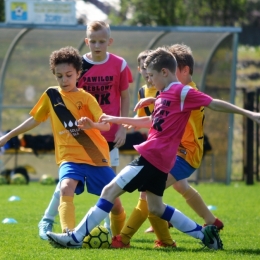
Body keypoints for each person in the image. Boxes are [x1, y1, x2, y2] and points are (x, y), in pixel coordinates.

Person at [47, 47, 252, 250]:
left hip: (151, 157)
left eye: (152, 75)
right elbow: (152, 121)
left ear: (164, 72)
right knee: (156, 207)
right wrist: (116, 119)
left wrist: (251, 115)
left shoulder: (182, 91)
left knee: (109, 191)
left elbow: (214, 103)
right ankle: (205, 235)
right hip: (162, 162)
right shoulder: (164, 94)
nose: (149, 80)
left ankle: (75, 237)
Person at [0, 46, 125, 239]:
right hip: (69, 156)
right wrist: (9, 136)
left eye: (68, 75)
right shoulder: (51, 95)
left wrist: (91, 124)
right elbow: (34, 120)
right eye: (59, 76)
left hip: (94, 155)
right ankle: (69, 233)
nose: (64, 80)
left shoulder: (86, 98)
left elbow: (106, 126)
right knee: (66, 186)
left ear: (78, 73)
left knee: (115, 204)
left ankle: (119, 239)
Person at [113, 44, 225, 249]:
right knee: (175, 188)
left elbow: (203, 104)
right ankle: (208, 222)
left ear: (182, 71)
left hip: (185, 152)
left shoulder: (187, 92)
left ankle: (126, 238)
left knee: (147, 195)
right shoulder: (167, 91)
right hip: (172, 151)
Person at [38, 21, 131, 239]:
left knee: (110, 186)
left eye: (102, 41)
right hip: (81, 133)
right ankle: (48, 221)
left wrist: (122, 127)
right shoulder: (78, 64)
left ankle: (110, 230)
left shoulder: (119, 64)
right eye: (93, 41)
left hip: (108, 132)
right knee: (67, 181)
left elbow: (125, 95)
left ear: (109, 41)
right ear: (86, 41)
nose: (97, 45)